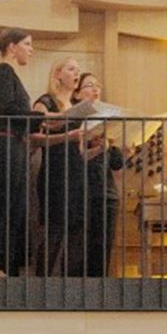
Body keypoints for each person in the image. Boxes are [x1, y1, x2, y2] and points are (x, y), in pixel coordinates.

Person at [0, 28, 42, 276]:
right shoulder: (3, 71)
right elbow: (7, 111)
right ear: (12, 47)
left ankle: (6, 265)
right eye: (27, 43)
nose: (31, 49)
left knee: (14, 206)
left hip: (12, 145)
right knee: (3, 204)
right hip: (4, 147)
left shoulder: (8, 73)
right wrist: (41, 116)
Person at [32, 59, 97, 276]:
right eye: (71, 69)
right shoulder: (45, 103)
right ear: (57, 73)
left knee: (77, 231)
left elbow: (78, 150)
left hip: (77, 173)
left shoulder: (77, 107)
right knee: (54, 230)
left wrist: (100, 148)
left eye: (78, 71)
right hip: (55, 173)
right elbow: (33, 139)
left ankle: (70, 287)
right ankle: (43, 285)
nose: (76, 74)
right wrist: (65, 136)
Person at [69, 72, 125, 276]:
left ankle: (98, 291)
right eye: (89, 85)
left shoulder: (108, 120)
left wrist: (122, 149)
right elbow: (76, 157)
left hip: (106, 191)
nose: (95, 89)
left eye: (97, 85)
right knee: (80, 247)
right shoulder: (73, 121)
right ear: (76, 95)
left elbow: (116, 163)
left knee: (103, 248)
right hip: (82, 190)